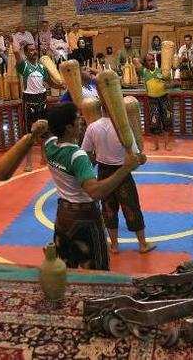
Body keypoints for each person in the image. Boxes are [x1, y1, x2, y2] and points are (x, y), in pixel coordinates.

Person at [42, 103, 145, 270]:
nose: (81, 121)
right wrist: (126, 167)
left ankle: (69, 294)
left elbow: (48, 134)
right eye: (77, 119)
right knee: (97, 267)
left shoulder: (50, 145)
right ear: (68, 127)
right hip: (84, 216)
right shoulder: (77, 155)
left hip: (63, 215)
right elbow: (95, 191)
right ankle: (141, 243)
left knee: (66, 265)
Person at [82, 107, 155, 254]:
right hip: (122, 173)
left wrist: (97, 159)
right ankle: (142, 244)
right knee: (131, 207)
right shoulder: (123, 128)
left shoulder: (92, 127)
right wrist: (142, 159)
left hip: (103, 172)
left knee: (108, 209)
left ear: (101, 109)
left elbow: (86, 152)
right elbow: (136, 155)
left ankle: (114, 246)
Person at [17, 42, 60, 171]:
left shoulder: (42, 67)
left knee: (44, 130)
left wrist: (61, 85)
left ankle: (44, 157)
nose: (33, 52)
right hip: (29, 100)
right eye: (30, 50)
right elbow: (16, 54)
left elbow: (50, 82)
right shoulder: (24, 66)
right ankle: (29, 163)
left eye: (34, 49)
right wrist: (15, 44)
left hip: (42, 99)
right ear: (25, 53)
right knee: (29, 133)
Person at [133, 53, 173, 150]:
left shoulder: (161, 71)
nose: (151, 62)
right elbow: (135, 60)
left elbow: (171, 83)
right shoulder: (144, 71)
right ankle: (155, 145)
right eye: (149, 60)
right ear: (145, 62)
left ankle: (167, 144)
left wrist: (168, 84)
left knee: (167, 121)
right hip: (152, 100)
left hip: (164, 98)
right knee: (154, 122)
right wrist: (142, 61)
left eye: (152, 60)